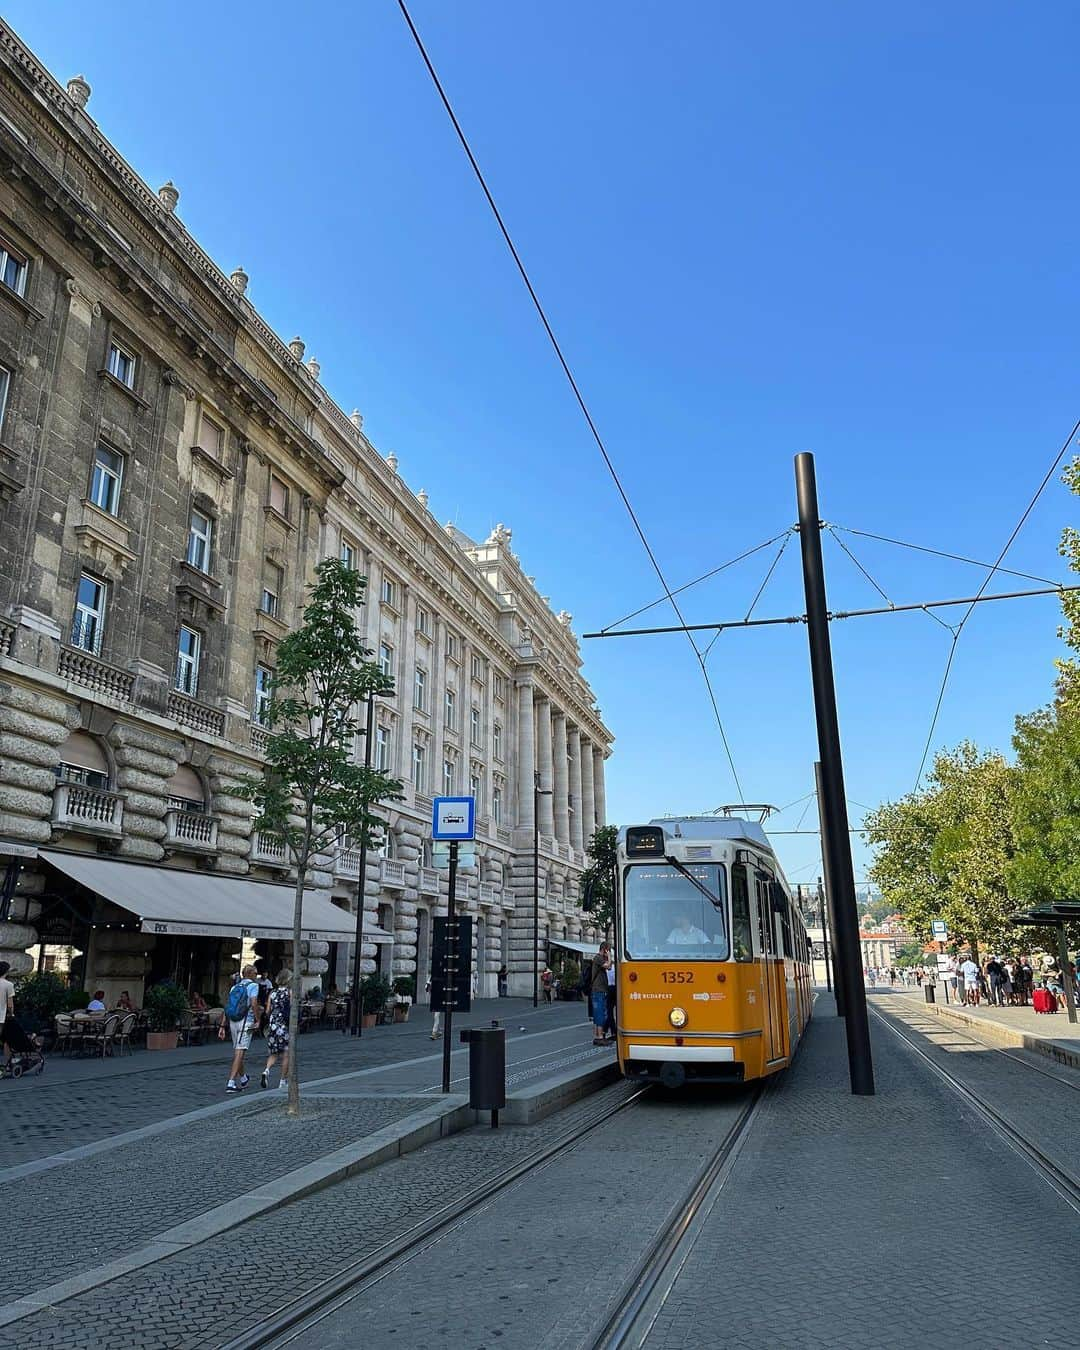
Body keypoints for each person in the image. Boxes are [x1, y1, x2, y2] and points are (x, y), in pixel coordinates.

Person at [219, 964, 260, 1092]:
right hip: (245, 1021)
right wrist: (258, 1019)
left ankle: (243, 1079)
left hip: (233, 1021)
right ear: (251, 974)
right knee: (239, 1052)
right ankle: (231, 1083)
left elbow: (228, 1006)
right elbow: (253, 1003)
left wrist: (222, 1026)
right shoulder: (253, 986)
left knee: (238, 1050)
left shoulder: (234, 987)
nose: (257, 975)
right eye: (256, 973)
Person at [261, 969, 291, 1090]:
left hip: (273, 1026)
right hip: (284, 1026)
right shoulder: (289, 993)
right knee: (285, 1054)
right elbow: (292, 1010)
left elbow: (267, 1011)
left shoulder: (272, 993)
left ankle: (266, 1071)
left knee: (273, 1053)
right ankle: (282, 1081)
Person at [590, 944, 612, 1046]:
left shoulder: (599, 958)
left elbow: (609, 967)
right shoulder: (598, 958)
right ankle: (599, 1037)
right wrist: (610, 957)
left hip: (599, 990)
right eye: (608, 950)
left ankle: (596, 1036)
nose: (609, 952)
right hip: (599, 990)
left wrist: (608, 958)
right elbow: (608, 966)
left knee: (598, 1013)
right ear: (604, 949)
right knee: (600, 1014)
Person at [0, 961, 15, 1066]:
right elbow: (10, 1005)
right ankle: (7, 1063)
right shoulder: (8, 985)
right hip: (1, 1017)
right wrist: (11, 1013)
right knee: (6, 1039)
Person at [604, 957, 617, 1040]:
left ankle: (608, 1031)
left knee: (609, 1011)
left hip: (609, 989)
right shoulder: (616, 967)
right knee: (616, 1012)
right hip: (615, 989)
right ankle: (612, 1031)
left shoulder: (605, 968)